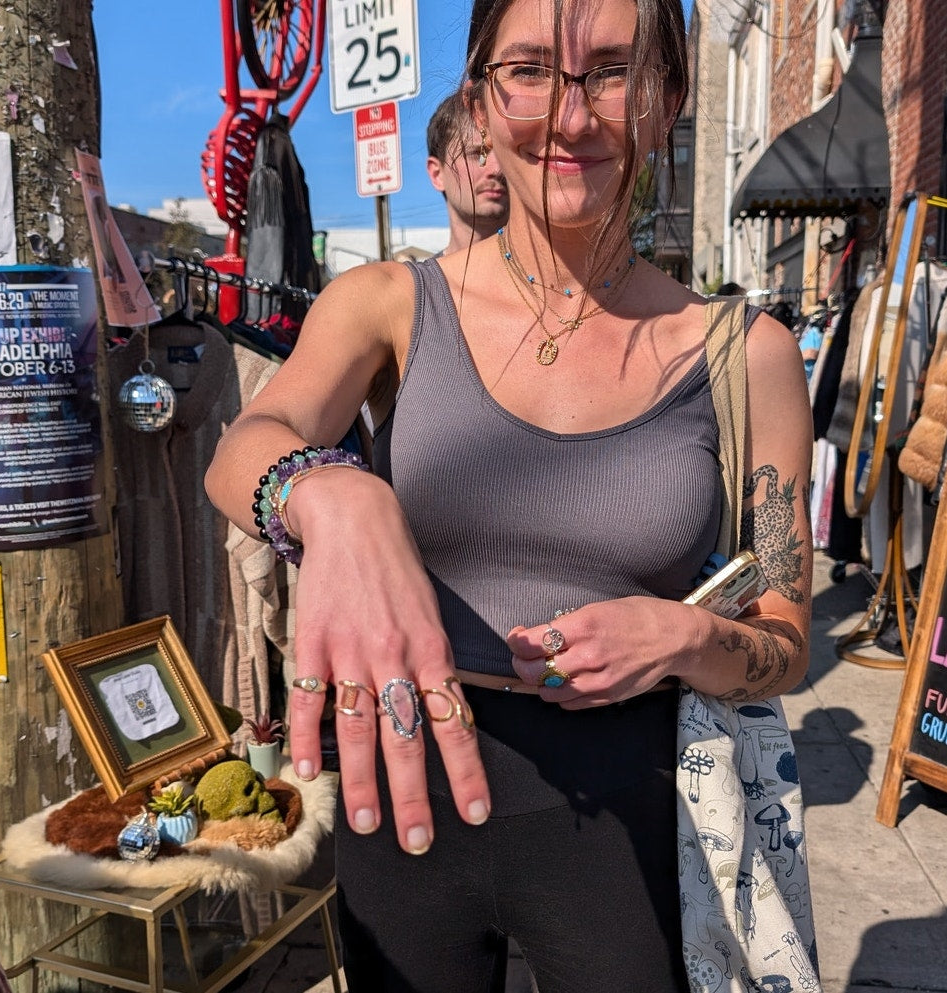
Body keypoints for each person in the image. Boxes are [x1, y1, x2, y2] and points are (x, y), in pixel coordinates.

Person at [205, 0, 814, 989]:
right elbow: (244, 450)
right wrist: (333, 498)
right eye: (529, 71)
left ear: (668, 101)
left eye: (611, 73)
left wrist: (686, 638)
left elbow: (784, 642)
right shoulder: (390, 305)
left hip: (634, 814)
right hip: (400, 791)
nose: (569, 118)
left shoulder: (747, 356)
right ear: (480, 104)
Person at [425, 89, 509, 254]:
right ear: (437, 174)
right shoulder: (418, 280)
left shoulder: (556, 275)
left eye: (505, 154)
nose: (497, 169)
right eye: (478, 154)